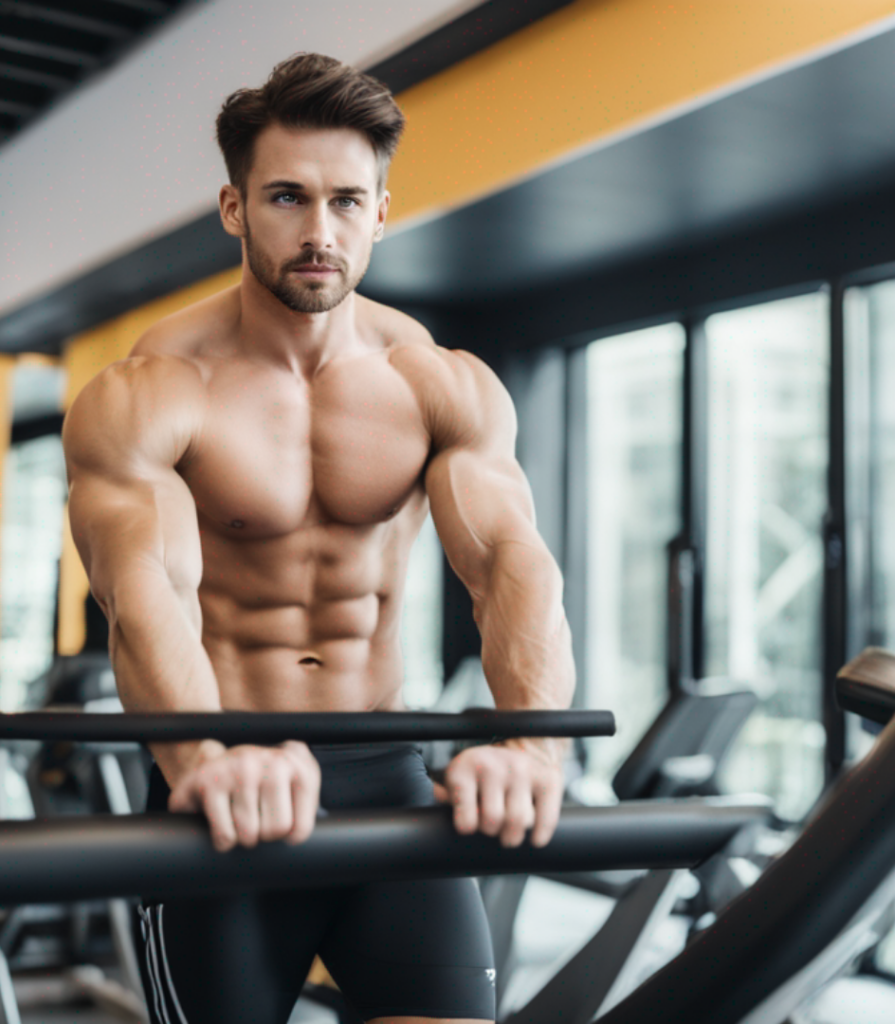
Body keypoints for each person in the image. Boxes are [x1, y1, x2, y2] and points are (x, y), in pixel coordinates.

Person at [63, 52, 575, 1024]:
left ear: (381, 211)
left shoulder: (438, 382)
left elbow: (511, 562)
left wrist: (531, 748)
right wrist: (203, 761)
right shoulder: (154, 388)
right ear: (234, 208)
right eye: (288, 197)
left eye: (347, 201)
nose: (318, 231)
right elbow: (144, 590)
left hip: (385, 771)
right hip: (219, 779)